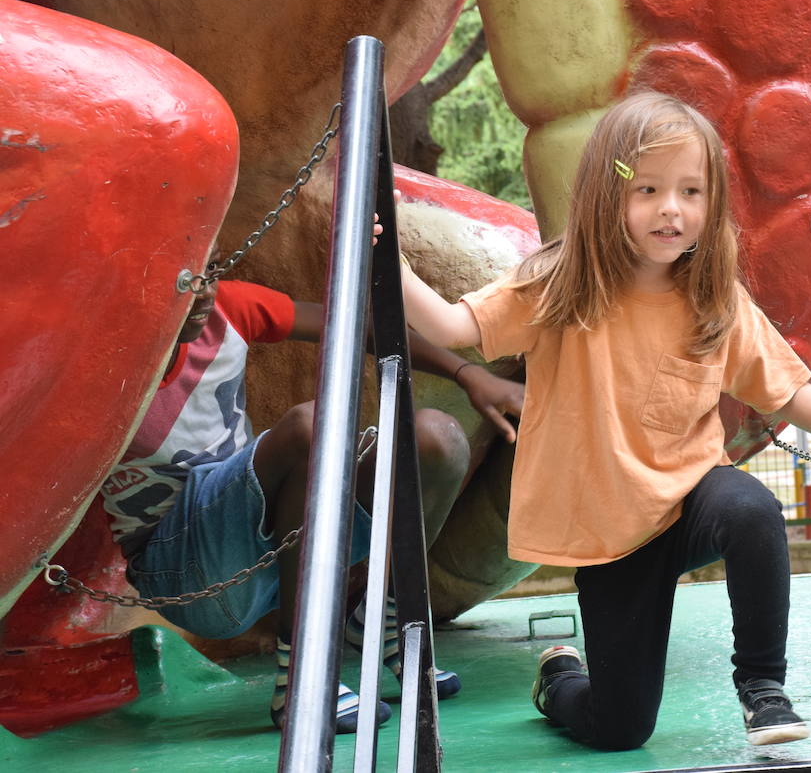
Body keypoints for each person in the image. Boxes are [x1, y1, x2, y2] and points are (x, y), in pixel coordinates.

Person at [396, 91, 811, 750]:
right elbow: (454, 326)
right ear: (609, 190)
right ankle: (560, 681)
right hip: (610, 536)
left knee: (752, 512)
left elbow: (788, 394)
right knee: (619, 728)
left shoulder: (711, 296)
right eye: (649, 189)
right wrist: (387, 261)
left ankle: (764, 690)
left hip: (689, 500)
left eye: (691, 191)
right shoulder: (560, 284)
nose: (671, 209)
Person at [100, 274, 525, 732]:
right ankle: (305, 670)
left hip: (268, 543)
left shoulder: (225, 305)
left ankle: (380, 619)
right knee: (310, 426)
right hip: (185, 571)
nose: (201, 288)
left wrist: (468, 374)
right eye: (182, 275)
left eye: (211, 265)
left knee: (436, 439)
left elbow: (355, 326)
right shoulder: (97, 358)